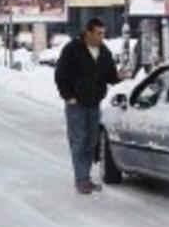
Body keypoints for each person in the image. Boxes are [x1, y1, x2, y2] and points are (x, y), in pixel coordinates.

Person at [54, 18, 128, 195]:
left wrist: (119, 76)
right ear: (88, 33)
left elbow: (109, 76)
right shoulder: (72, 49)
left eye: (103, 33)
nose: (102, 37)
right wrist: (68, 96)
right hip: (76, 104)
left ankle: (85, 177)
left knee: (91, 142)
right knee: (78, 141)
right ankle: (81, 180)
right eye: (98, 33)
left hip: (94, 103)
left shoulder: (104, 52)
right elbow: (60, 74)